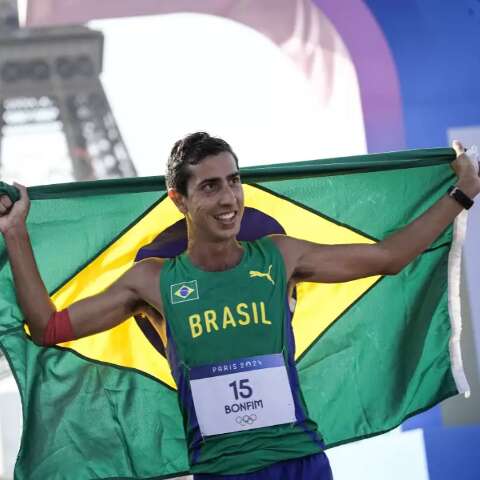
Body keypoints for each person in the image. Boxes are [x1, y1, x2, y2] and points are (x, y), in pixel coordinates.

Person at [0, 133, 478, 480]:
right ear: (179, 199)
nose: (229, 198)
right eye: (209, 187)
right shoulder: (153, 283)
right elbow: (47, 328)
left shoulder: (279, 255)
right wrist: (16, 233)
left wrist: (463, 194)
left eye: (234, 181)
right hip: (224, 472)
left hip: (301, 462)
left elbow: (389, 258)